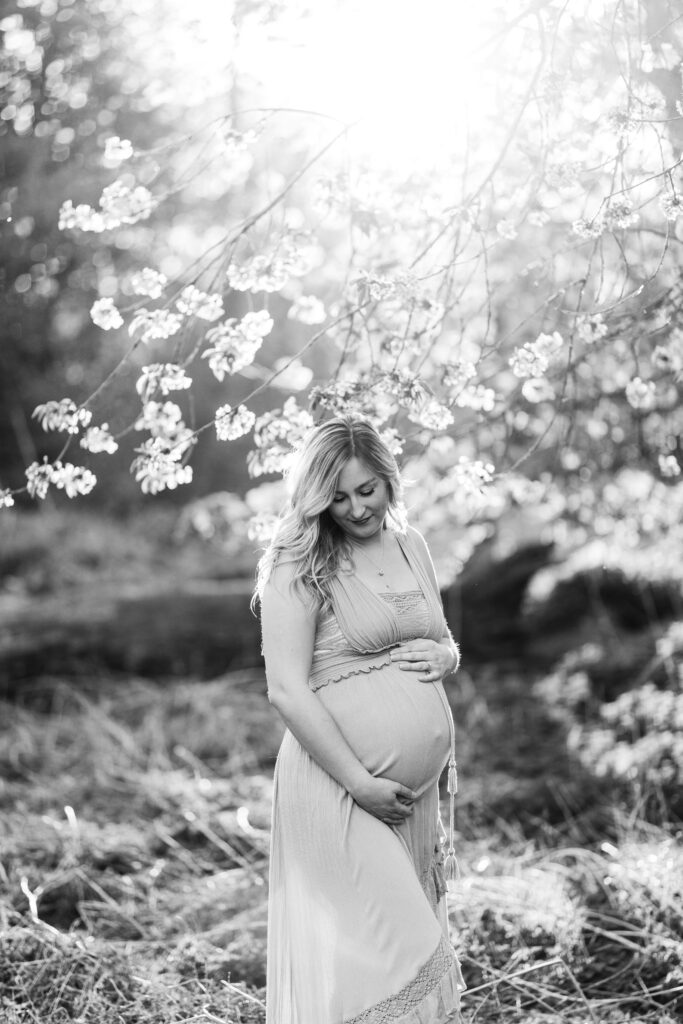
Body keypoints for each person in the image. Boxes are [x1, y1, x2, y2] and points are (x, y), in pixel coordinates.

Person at [255, 416, 466, 1024]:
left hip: (409, 795)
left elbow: (441, 637)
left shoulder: (412, 545)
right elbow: (286, 691)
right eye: (338, 496)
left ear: (388, 478)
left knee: (385, 968)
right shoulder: (298, 560)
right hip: (340, 789)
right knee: (407, 960)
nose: (354, 509)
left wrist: (449, 656)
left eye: (366, 490)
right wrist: (359, 783)